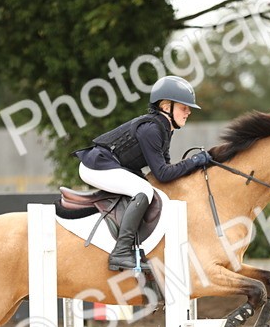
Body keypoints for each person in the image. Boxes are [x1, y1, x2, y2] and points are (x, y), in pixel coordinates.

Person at [74, 75, 213, 271]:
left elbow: (164, 171)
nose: (188, 112)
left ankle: (138, 247)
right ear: (166, 107)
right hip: (96, 166)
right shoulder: (151, 130)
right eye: (184, 107)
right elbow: (163, 173)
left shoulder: (165, 129)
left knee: (150, 189)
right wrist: (195, 161)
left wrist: (192, 165)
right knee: (144, 191)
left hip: (111, 166)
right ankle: (121, 252)